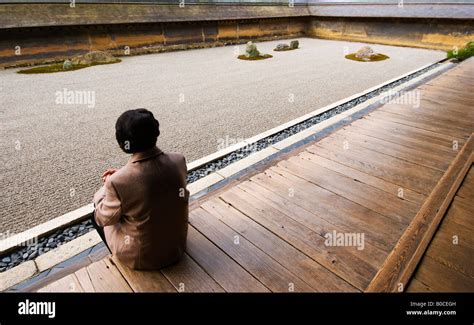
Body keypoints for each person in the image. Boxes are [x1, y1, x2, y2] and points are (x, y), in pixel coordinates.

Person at [91, 108, 189, 270]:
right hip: (177, 247)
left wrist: (106, 188)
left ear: (123, 143)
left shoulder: (117, 182)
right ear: (156, 131)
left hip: (143, 258)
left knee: (97, 210)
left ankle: (117, 258)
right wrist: (122, 175)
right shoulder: (178, 160)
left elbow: (103, 219)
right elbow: (155, 182)